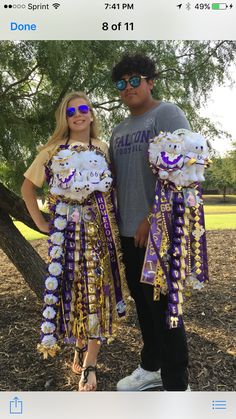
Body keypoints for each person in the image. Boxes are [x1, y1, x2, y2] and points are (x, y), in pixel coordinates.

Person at [21, 91, 126, 391]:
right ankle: (79, 345)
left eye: (83, 109)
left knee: (96, 294)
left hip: (99, 239)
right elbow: (27, 188)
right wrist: (40, 222)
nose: (78, 114)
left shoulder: (104, 149)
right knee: (73, 293)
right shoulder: (51, 151)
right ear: (64, 118)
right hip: (66, 238)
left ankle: (90, 363)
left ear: (91, 114)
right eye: (71, 111)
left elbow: (112, 190)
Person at [110, 54, 191, 391]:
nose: (128, 87)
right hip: (128, 233)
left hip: (158, 232)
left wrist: (152, 218)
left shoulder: (166, 113)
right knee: (144, 306)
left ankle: (177, 383)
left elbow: (183, 169)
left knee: (164, 308)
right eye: (121, 83)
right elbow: (111, 180)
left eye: (134, 79)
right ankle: (152, 367)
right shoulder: (118, 130)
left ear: (150, 81)